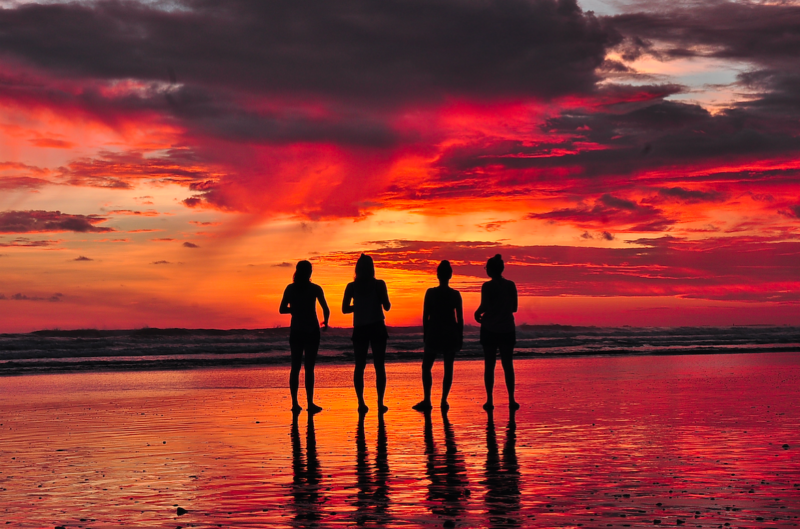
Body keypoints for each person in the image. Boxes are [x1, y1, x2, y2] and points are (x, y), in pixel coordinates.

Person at [279, 260, 330, 414]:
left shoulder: (290, 288)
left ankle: (295, 403)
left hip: (296, 331)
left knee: (295, 367)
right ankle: (309, 403)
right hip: (312, 331)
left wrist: (294, 310)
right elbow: (326, 309)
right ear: (309, 273)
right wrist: (326, 322)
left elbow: (282, 309)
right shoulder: (315, 289)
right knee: (309, 368)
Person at [342, 254, 391, 413]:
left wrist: (359, 306)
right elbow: (387, 306)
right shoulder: (379, 284)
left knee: (359, 366)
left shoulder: (352, 286)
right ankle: (380, 402)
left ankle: (361, 403)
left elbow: (344, 309)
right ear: (372, 268)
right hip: (377, 326)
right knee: (379, 366)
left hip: (360, 327)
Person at [413, 260, 463, 412]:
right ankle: (443, 400)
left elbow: (425, 316)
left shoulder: (431, 293)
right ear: (450, 275)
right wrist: (460, 337)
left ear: (437, 275)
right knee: (448, 368)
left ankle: (428, 400)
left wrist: (425, 334)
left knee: (426, 367)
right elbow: (460, 319)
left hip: (434, 332)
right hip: (450, 333)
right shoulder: (455, 294)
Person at [474, 254, 519, 411]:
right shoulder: (511, 285)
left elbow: (484, 306)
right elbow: (514, 308)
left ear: (491, 270)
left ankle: (490, 400)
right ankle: (512, 400)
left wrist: (476, 313)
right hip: (507, 328)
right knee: (508, 365)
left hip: (490, 328)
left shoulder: (487, 286)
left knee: (490, 365)